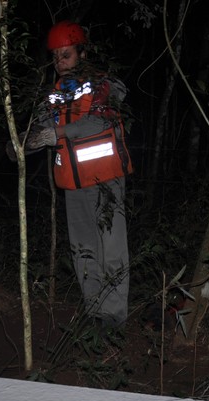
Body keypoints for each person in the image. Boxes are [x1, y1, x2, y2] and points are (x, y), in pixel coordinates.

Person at [18, 20, 134, 329]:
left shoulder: (104, 85)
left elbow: (100, 122)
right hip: (72, 184)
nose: (59, 62)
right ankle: (95, 314)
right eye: (55, 56)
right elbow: (39, 133)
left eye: (66, 54)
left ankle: (114, 318)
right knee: (83, 252)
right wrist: (21, 143)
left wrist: (56, 133)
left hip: (106, 180)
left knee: (111, 250)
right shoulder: (52, 95)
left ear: (82, 54)